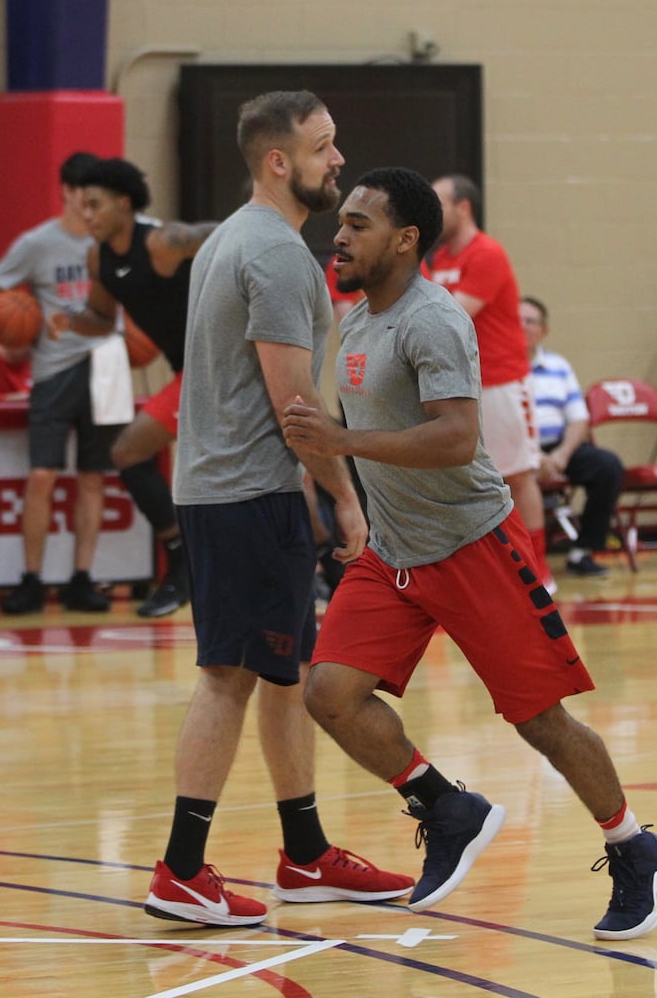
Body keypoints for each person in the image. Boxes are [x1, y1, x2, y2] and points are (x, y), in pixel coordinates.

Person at [281, 166, 657, 939]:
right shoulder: (358, 320)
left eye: (359, 224)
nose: (340, 233)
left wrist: (343, 442)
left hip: (474, 547)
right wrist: (346, 489)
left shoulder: (432, 321)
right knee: (328, 692)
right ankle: (447, 806)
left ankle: (636, 847)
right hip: (397, 554)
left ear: (405, 239)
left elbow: (457, 436)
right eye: (344, 221)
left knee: (542, 722)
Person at [143, 91, 411, 927]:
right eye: (324, 147)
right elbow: (297, 407)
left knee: (282, 676)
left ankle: (305, 855)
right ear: (278, 161)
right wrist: (347, 503)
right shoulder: (279, 257)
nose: (339, 160)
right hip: (246, 496)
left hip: (234, 491)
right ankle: (181, 870)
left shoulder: (239, 237)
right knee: (228, 677)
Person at [49, 157, 219, 617]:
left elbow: (226, 229)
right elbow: (102, 318)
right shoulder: (98, 257)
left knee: (279, 471)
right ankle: (183, 563)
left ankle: (323, 562)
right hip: (189, 371)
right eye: (82, 207)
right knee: (127, 453)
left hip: (221, 366)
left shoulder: (163, 242)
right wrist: (68, 322)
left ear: (124, 203)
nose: (86, 215)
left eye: (95, 205)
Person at [0, 151, 115, 614]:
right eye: (84, 197)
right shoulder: (37, 243)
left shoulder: (119, 237)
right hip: (54, 372)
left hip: (107, 368)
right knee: (42, 476)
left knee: (92, 479)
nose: (90, 207)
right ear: (65, 192)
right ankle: (30, 579)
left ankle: (82, 579)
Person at [426, 174, 551, 589]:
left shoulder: (487, 254)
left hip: (501, 382)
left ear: (463, 208)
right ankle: (482, 571)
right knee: (465, 480)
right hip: (464, 386)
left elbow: (451, 317)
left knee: (516, 475)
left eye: (439, 203)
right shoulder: (439, 258)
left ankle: (538, 574)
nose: (433, 212)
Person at [521, 295, 624, 578]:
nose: (523, 326)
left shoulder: (559, 365)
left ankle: (583, 552)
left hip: (557, 448)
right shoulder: (495, 366)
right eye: (517, 320)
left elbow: (579, 419)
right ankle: (515, 559)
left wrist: (560, 456)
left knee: (607, 466)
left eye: (530, 321)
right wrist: (532, 455)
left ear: (544, 330)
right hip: (514, 448)